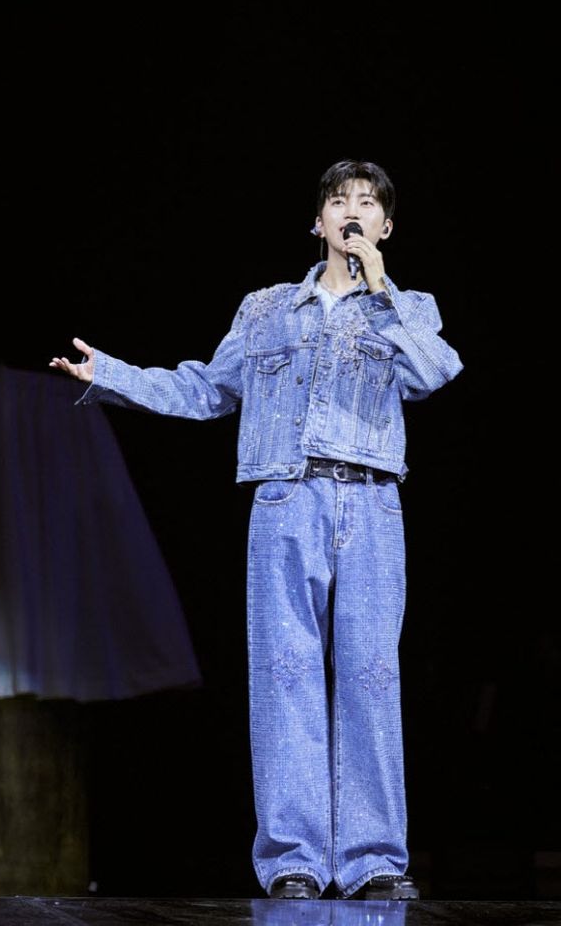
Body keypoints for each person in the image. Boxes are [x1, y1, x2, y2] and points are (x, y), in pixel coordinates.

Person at [50, 159, 463, 901]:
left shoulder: (408, 308)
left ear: (385, 226)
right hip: (285, 498)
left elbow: (436, 374)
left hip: (370, 502)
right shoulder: (267, 308)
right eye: (339, 201)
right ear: (317, 221)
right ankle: (293, 859)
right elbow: (208, 389)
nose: (352, 211)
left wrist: (382, 288)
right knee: (285, 676)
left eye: (367, 203)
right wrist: (110, 375)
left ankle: (373, 861)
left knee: (370, 678)